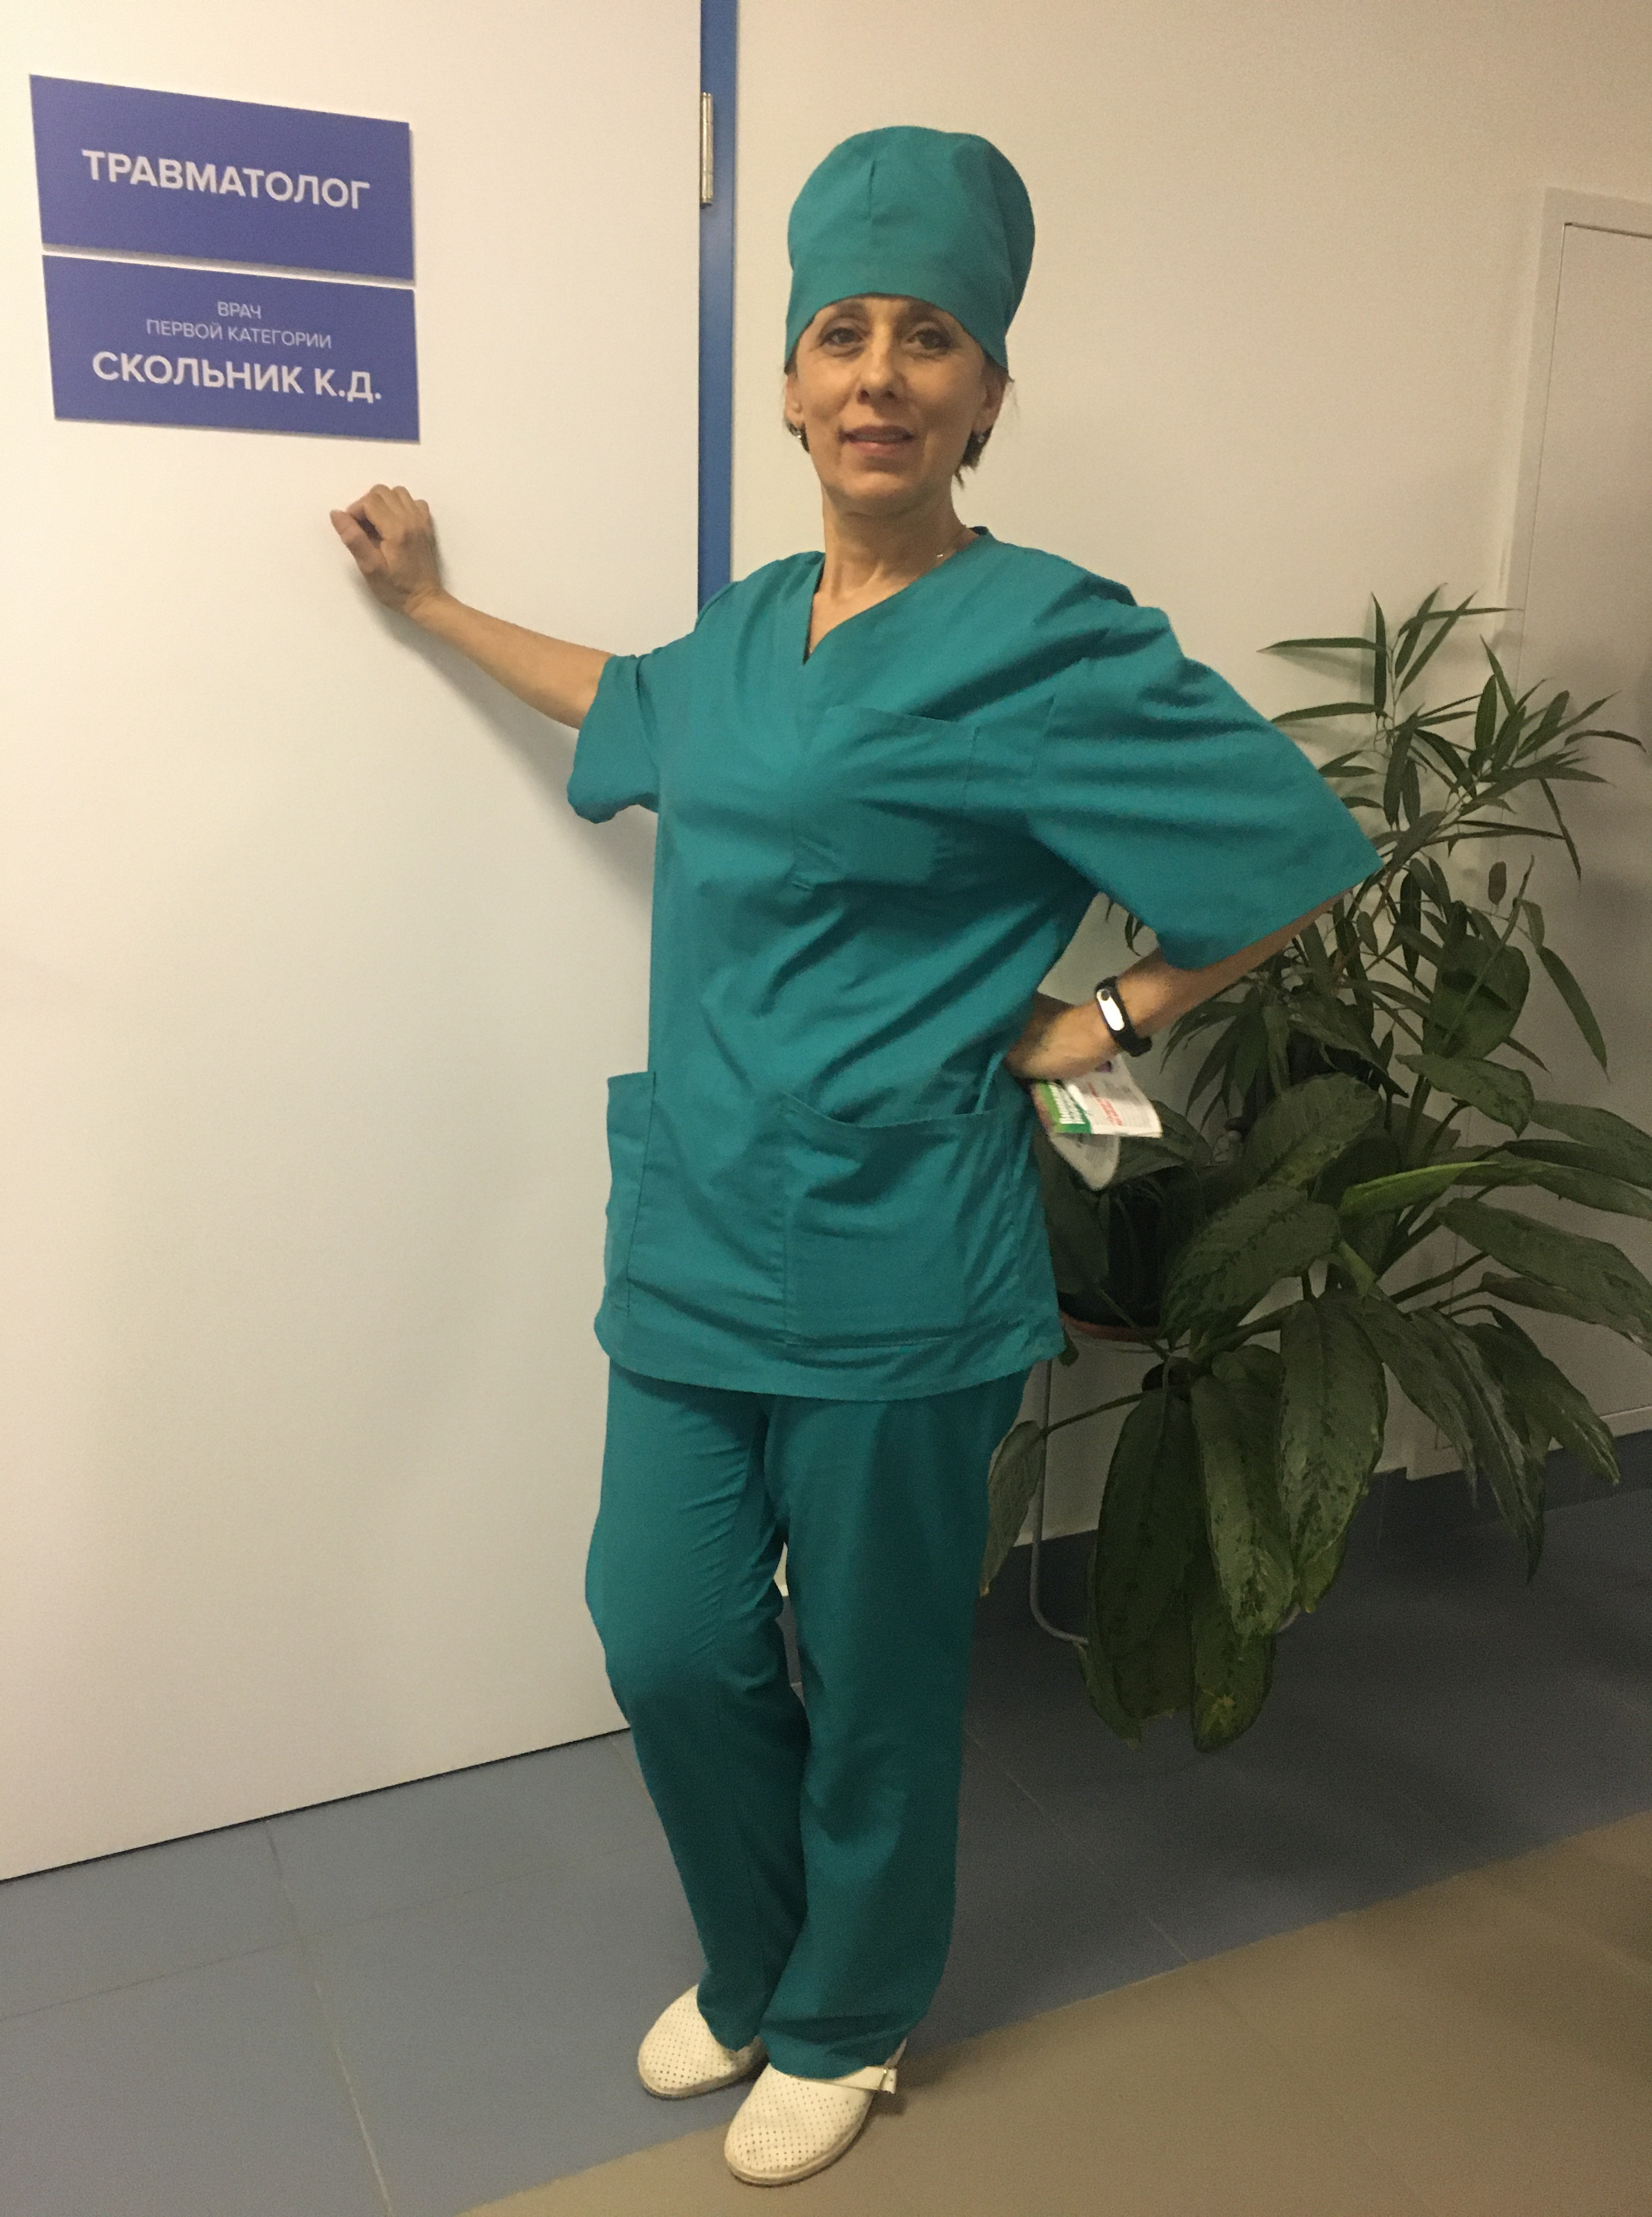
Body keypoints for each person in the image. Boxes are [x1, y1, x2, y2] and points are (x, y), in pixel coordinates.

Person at [330, 125, 1378, 2191]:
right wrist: (437, 608)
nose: (882, 373)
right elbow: (624, 702)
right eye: (844, 335)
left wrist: (1106, 1021)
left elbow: (1291, 852)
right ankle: (757, 1962)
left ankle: (850, 2012)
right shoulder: (744, 633)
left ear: (988, 395)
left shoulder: (1051, 642)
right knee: (662, 1632)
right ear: (794, 391)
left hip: (903, 1250)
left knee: (882, 1676)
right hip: (701, 1231)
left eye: (930, 339)